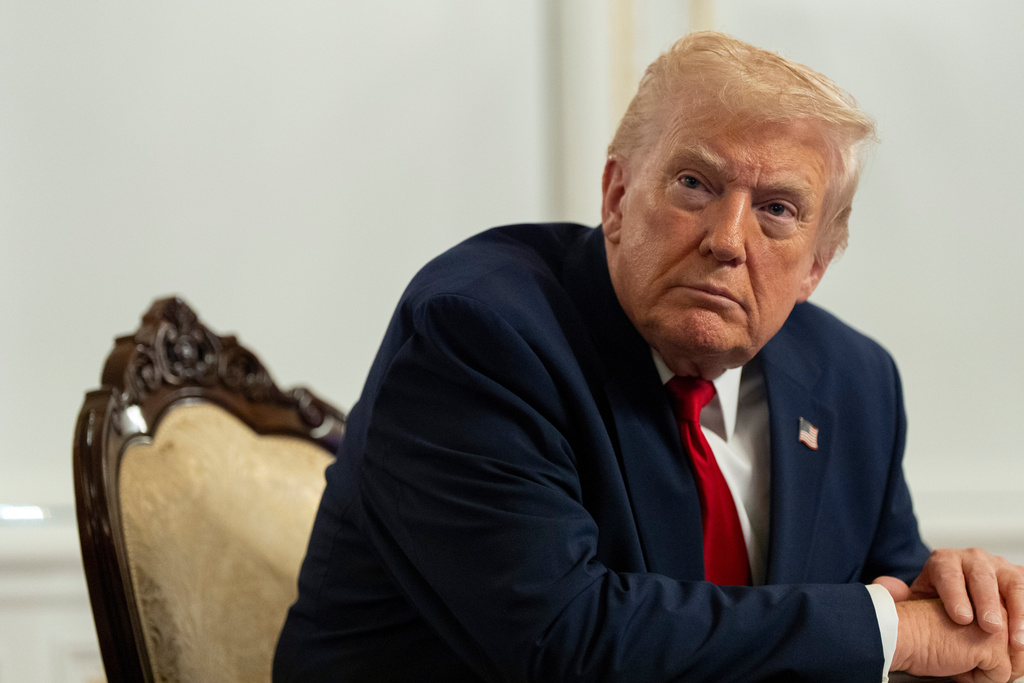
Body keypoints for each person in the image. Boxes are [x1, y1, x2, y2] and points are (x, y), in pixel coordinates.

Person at [274, 32, 1024, 682]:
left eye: (778, 211)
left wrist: (955, 603)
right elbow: (564, 641)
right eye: (695, 184)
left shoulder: (852, 381)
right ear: (616, 196)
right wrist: (893, 631)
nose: (728, 240)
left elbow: (889, 602)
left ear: (817, 266)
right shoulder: (478, 336)